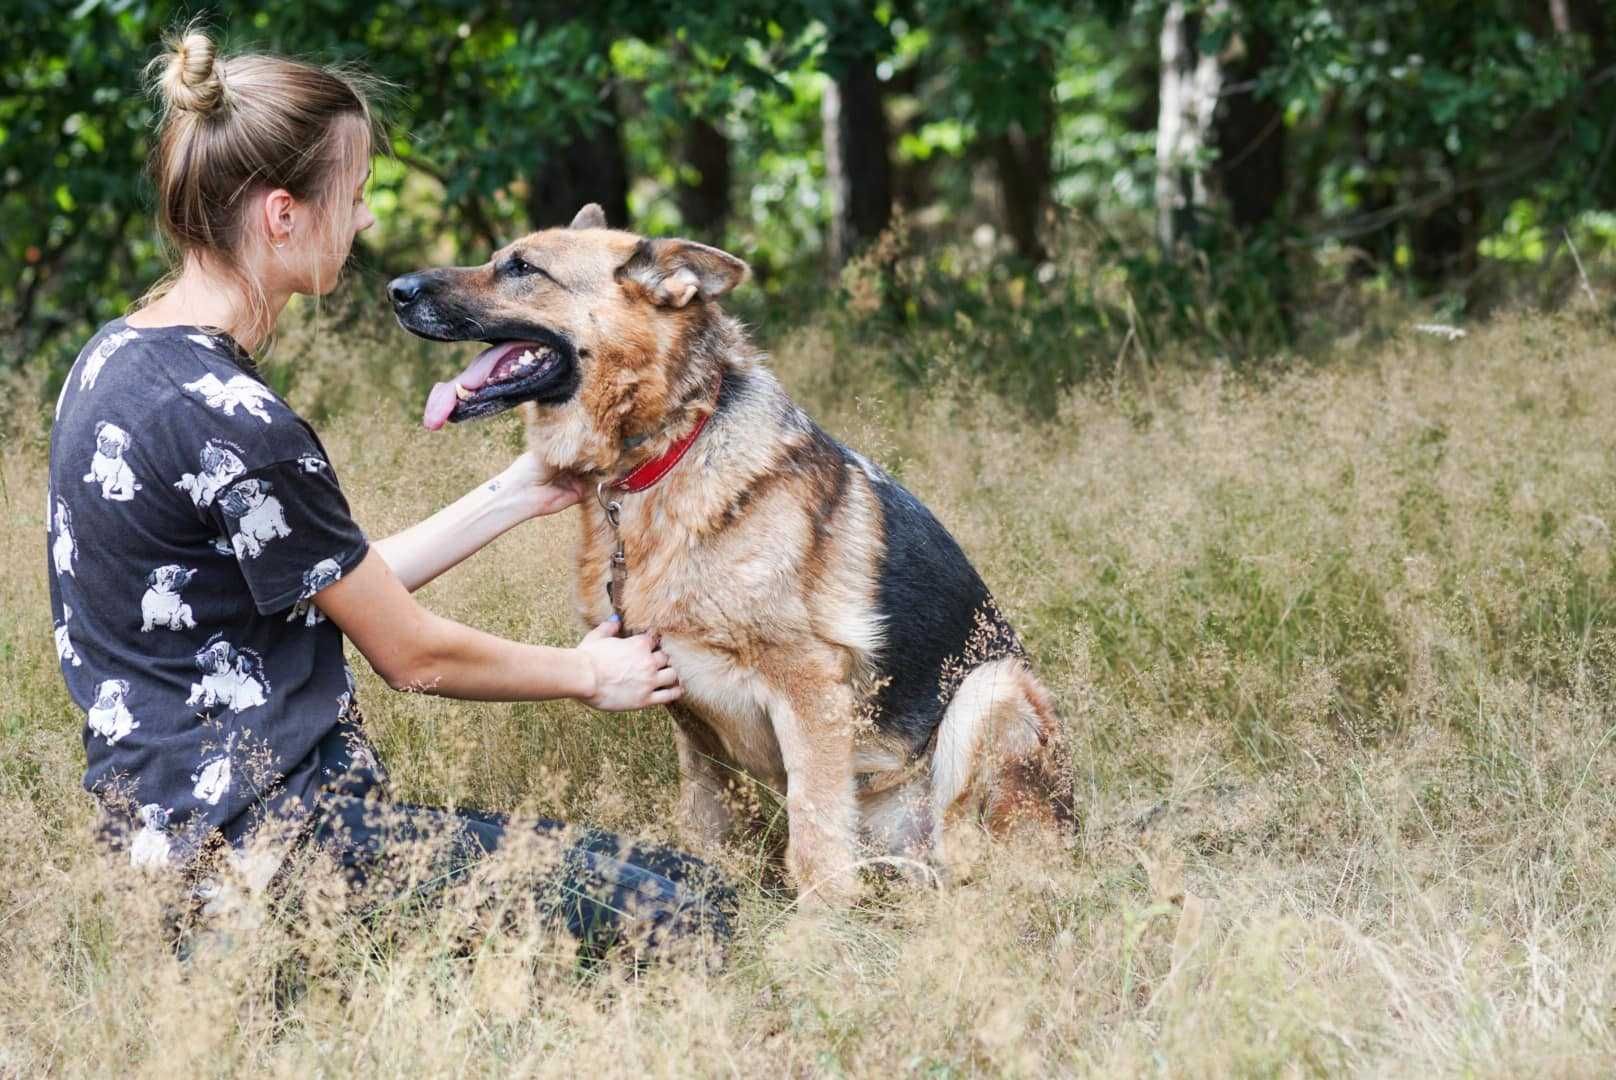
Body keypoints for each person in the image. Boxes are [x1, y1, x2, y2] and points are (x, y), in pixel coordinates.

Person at [44, 27, 734, 962]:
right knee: (693, 917)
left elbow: (333, 581)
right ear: (281, 216)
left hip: (172, 858)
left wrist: (517, 489)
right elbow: (409, 655)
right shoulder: (240, 422)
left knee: (686, 880)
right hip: (290, 858)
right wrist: (590, 674)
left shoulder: (115, 362)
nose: (366, 221)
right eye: (357, 196)